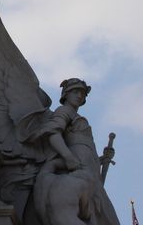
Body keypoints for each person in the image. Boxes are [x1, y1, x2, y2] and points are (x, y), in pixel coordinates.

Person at [29, 79, 120, 225]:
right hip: (79, 172)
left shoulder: (75, 116)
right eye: (76, 92)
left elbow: (84, 152)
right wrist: (68, 157)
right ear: (66, 94)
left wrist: (101, 159)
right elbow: (53, 133)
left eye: (83, 94)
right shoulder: (64, 111)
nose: (80, 96)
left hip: (89, 173)